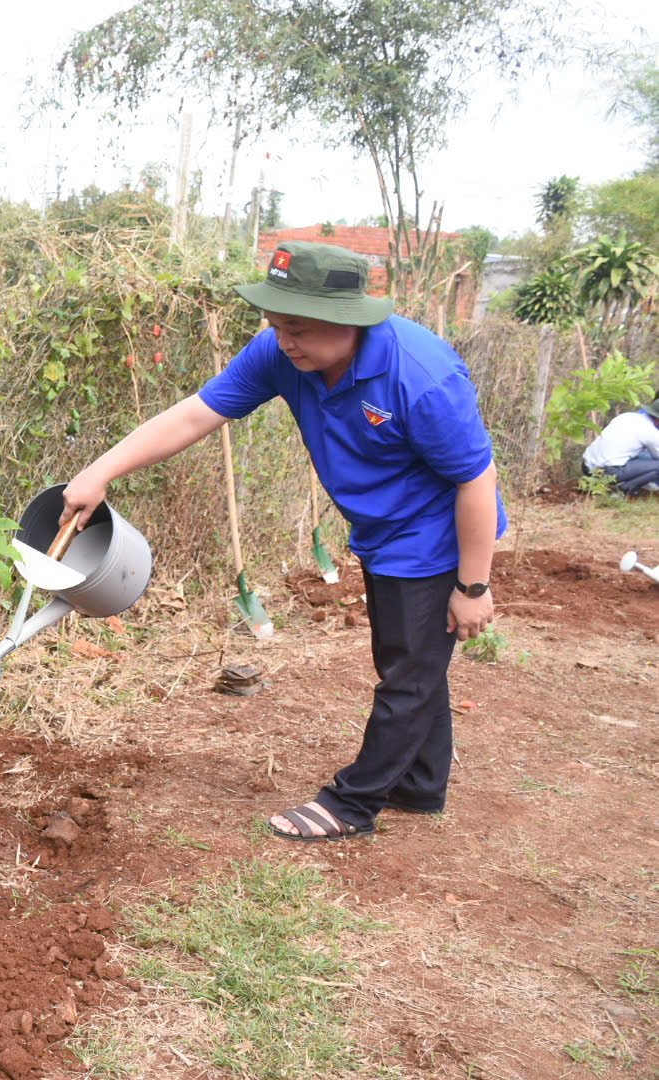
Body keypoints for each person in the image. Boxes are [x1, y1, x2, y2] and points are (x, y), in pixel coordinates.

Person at [62, 241, 504, 842]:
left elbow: (476, 479)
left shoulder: (420, 376)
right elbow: (196, 414)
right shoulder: (282, 353)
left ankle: (353, 803)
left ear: (348, 320)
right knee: (409, 658)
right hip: (380, 530)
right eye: (274, 323)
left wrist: (473, 585)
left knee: (409, 674)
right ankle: (421, 784)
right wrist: (101, 471)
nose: (282, 338)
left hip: (436, 535)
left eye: (295, 326)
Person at [582, 397, 659, 495]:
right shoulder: (650, 432)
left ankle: (597, 484)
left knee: (645, 456)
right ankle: (622, 491)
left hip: (587, 466)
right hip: (607, 472)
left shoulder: (627, 416)